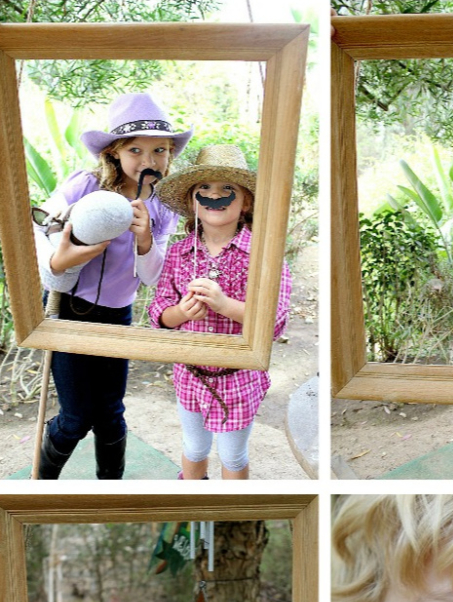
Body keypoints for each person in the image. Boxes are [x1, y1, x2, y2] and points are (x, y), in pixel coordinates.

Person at [34, 92, 193, 479]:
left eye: (160, 150)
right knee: (75, 417)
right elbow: (40, 229)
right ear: (114, 153)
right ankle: (42, 483)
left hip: (117, 314)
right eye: (135, 149)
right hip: (67, 307)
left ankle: (112, 486)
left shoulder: (163, 204)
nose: (148, 160)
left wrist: (145, 241)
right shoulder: (85, 185)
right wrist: (62, 258)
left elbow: (155, 276)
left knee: (110, 413)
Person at [149, 145, 292, 480]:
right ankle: (191, 505)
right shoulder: (179, 252)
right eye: (204, 190)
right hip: (190, 375)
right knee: (194, 447)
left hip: (239, 377)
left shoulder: (263, 254)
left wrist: (225, 305)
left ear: (247, 202)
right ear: (190, 201)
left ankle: (228, 507)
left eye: (227, 190)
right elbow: (159, 315)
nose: (215, 196)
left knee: (232, 453)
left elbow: (275, 320)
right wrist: (181, 313)